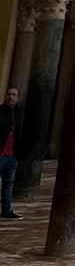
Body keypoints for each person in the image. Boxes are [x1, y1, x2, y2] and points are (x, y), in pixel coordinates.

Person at [0, 86, 22, 220]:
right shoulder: (0, 111)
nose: (11, 97)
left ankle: (6, 211)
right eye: (9, 94)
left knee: (8, 185)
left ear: (18, 98)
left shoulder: (19, 113)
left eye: (14, 95)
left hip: (12, 156)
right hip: (0, 154)